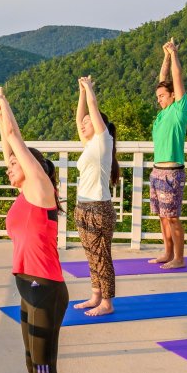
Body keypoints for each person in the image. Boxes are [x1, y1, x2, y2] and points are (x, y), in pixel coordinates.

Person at [0, 86, 68, 373]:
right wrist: (1, 118)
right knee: (30, 363)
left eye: (15, 164)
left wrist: (9, 112)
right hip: (27, 286)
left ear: (34, 169)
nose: (9, 166)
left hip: (45, 289)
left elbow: (18, 145)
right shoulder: (23, 193)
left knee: (44, 366)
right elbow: (11, 146)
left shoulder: (40, 191)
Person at [72, 75, 119, 316]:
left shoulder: (103, 142)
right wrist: (81, 92)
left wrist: (90, 89)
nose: (83, 124)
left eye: (89, 122)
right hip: (83, 207)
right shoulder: (90, 145)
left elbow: (92, 110)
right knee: (91, 255)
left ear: (99, 124)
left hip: (99, 208)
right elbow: (79, 117)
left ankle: (107, 302)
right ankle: (95, 295)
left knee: (102, 256)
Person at [150, 38, 187, 269]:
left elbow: (176, 78)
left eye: (163, 96)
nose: (160, 99)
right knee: (162, 216)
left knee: (172, 216)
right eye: (158, 97)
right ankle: (167, 252)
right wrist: (164, 56)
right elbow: (163, 80)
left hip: (172, 172)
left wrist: (174, 54)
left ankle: (179, 258)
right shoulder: (163, 114)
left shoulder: (179, 110)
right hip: (157, 170)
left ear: (174, 96)